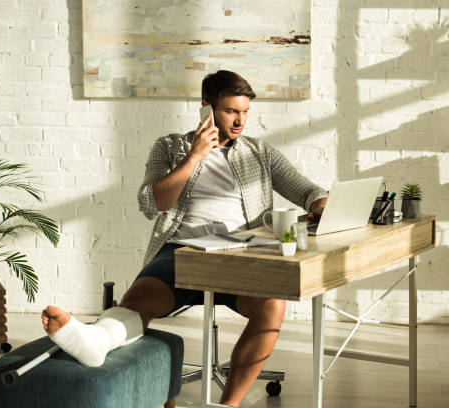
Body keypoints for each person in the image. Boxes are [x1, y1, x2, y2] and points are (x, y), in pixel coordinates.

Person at [41, 70, 328, 407]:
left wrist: (319, 203)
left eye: (245, 112)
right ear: (206, 107)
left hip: (241, 254)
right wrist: (194, 157)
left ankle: (228, 404)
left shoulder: (259, 152)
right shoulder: (170, 147)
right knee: (137, 301)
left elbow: (307, 189)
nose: (240, 121)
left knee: (272, 306)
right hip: (184, 250)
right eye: (231, 111)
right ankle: (95, 341)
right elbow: (151, 202)